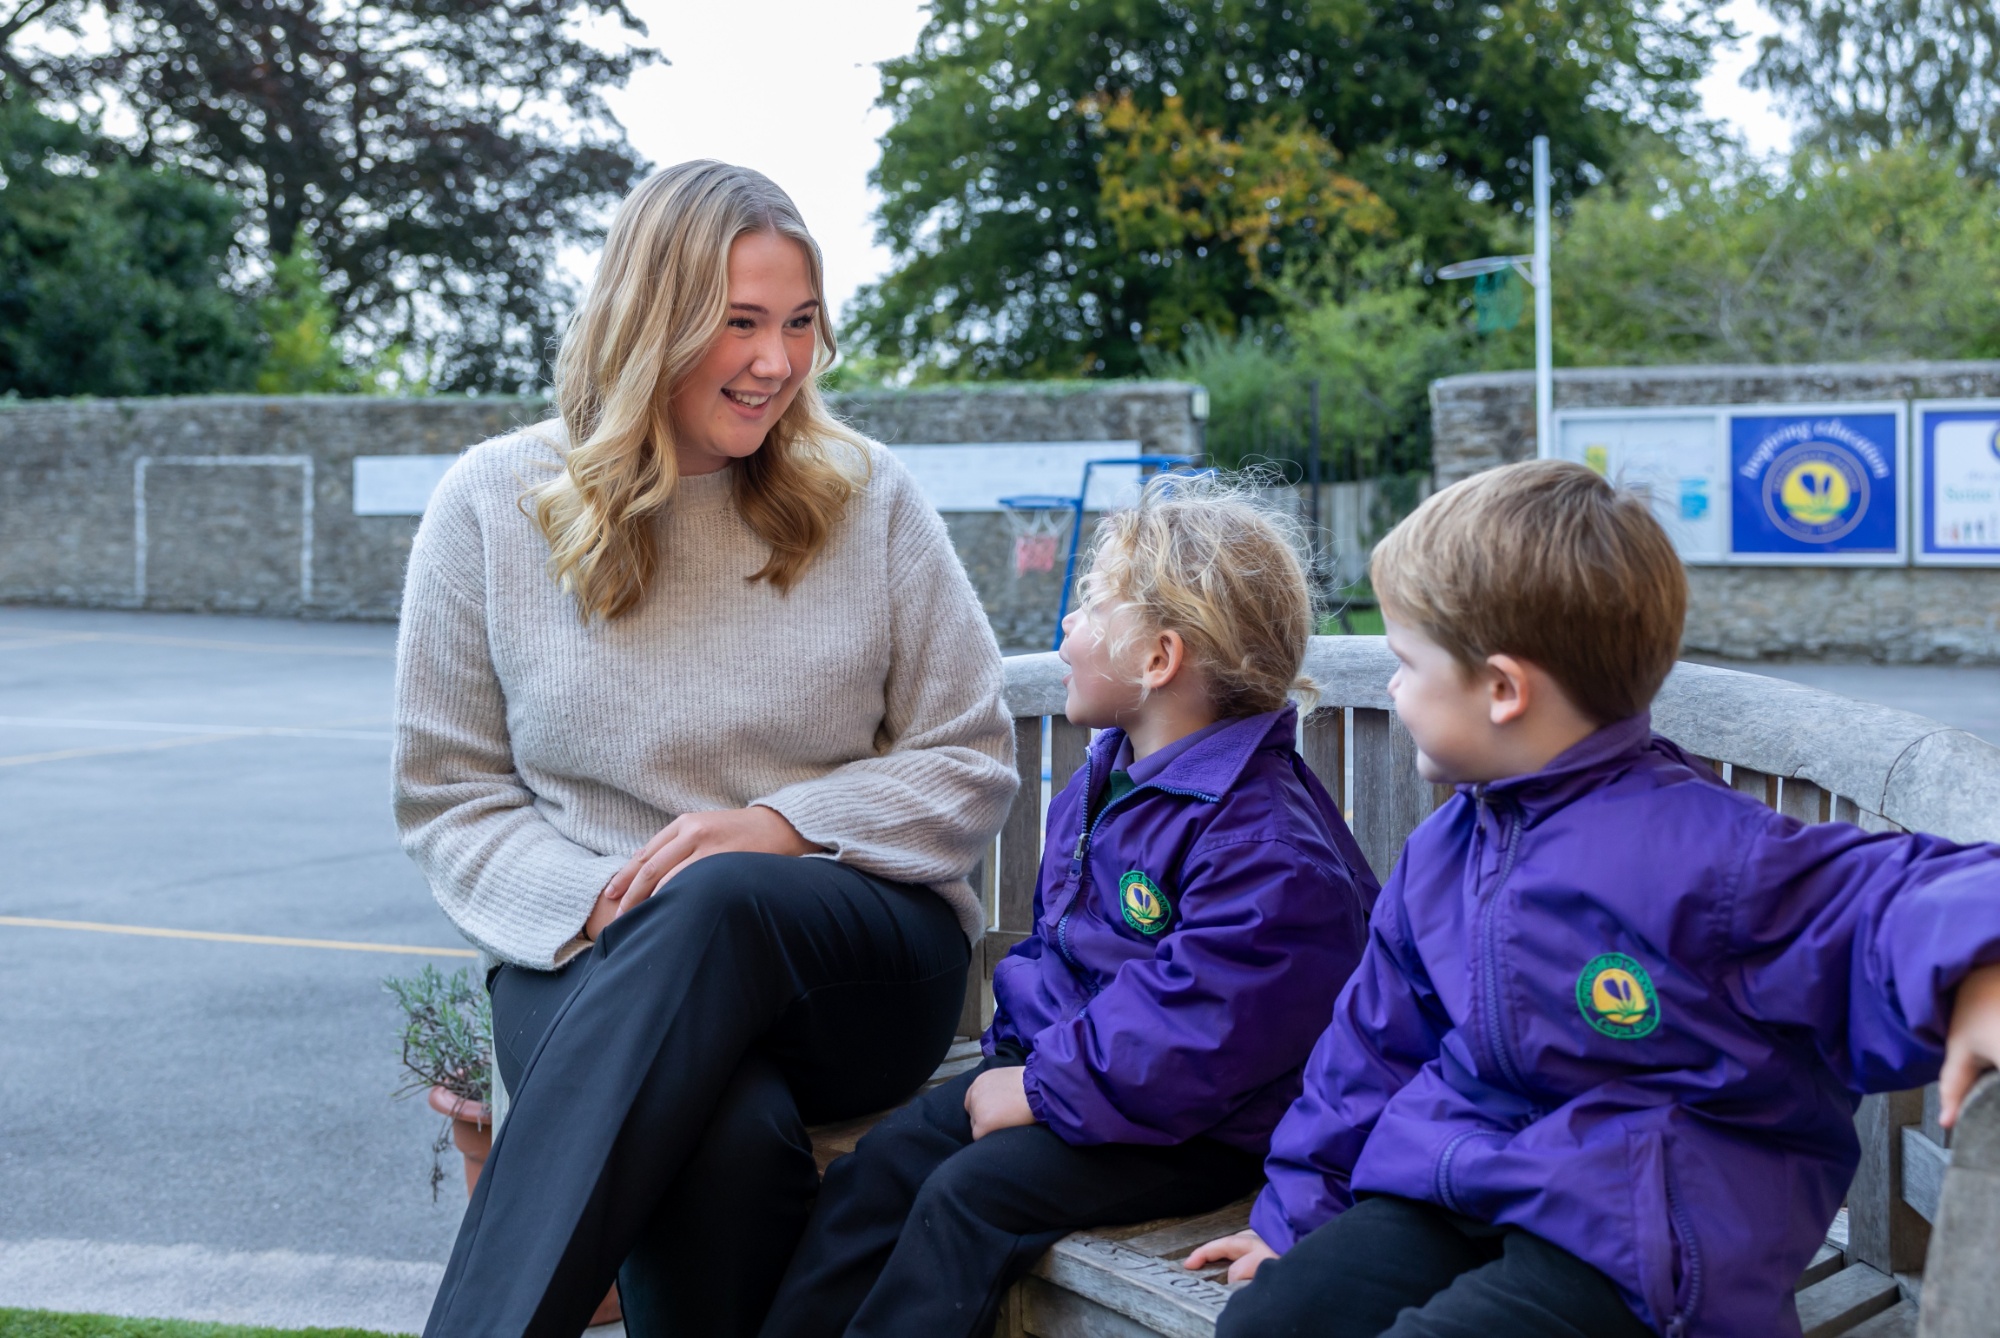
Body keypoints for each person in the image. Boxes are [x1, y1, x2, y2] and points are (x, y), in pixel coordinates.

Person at [394, 160, 1018, 1338]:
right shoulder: (490, 503)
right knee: (722, 1130)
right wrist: (614, 904)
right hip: (589, 953)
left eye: (797, 324)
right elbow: (450, 798)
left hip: (855, 952)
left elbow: (970, 755)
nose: (776, 362)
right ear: (650, 320)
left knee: (724, 893)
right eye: (738, 324)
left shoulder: (866, 496)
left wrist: (783, 829)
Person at [1192, 459, 2000, 1338]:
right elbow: (1371, 1053)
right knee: (1268, 1322)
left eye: (1406, 662)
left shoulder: (1708, 856)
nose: (1392, 687)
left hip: (1631, 1240)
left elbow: (1898, 899)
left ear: (1503, 689)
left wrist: (1981, 971)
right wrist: (1291, 1223)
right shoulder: (1445, 852)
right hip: (1465, 1179)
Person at [757, 479, 1380, 1338]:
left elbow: (1198, 1033)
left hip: (1200, 1127)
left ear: (1159, 660)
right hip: (1087, 1083)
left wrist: (1043, 1090)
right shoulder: (1111, 777)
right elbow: (1064, 953)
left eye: (1091, 610)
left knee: (969, 1199)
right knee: (887, 1164)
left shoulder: (1264, 846)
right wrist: (1019, 1069)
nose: (1066, 630)